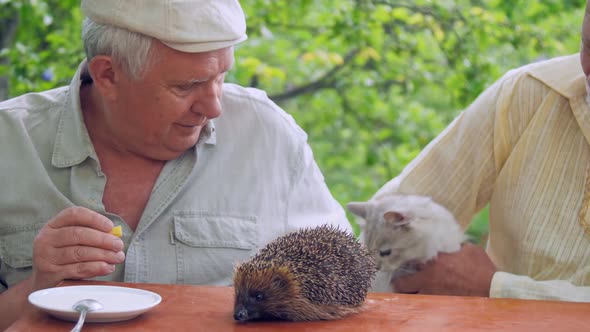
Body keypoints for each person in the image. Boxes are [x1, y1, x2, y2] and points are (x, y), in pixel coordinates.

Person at [0, 0, 350, 328]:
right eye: (188, 86)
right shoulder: (10, 143)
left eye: (221, 76)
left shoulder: (268, 136)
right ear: (108, 75)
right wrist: (38, 285)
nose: (214, 108)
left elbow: (349, 288)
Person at [371, 1, 590, 302]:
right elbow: (399, 210)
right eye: (587, 45)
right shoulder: (528, 93)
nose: (586, 69)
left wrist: (496, 289)